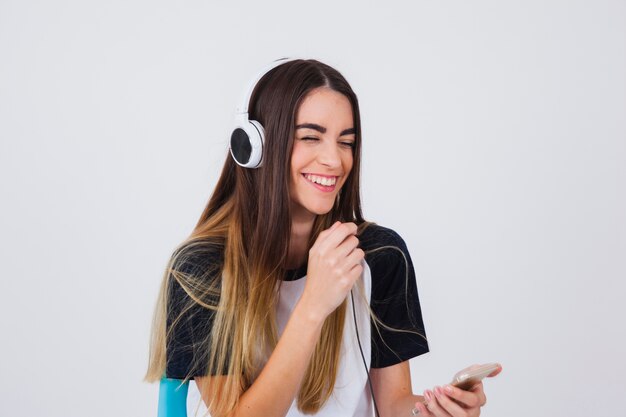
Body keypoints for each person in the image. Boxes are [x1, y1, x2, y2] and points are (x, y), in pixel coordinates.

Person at [145, 58, 501, 417]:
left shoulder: (379, 255)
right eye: (311, 137)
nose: (334, 160)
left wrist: (434, 410)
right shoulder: (201, 268)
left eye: (346, 142)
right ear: (254, 147)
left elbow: (394, 405)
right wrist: (313, 305)